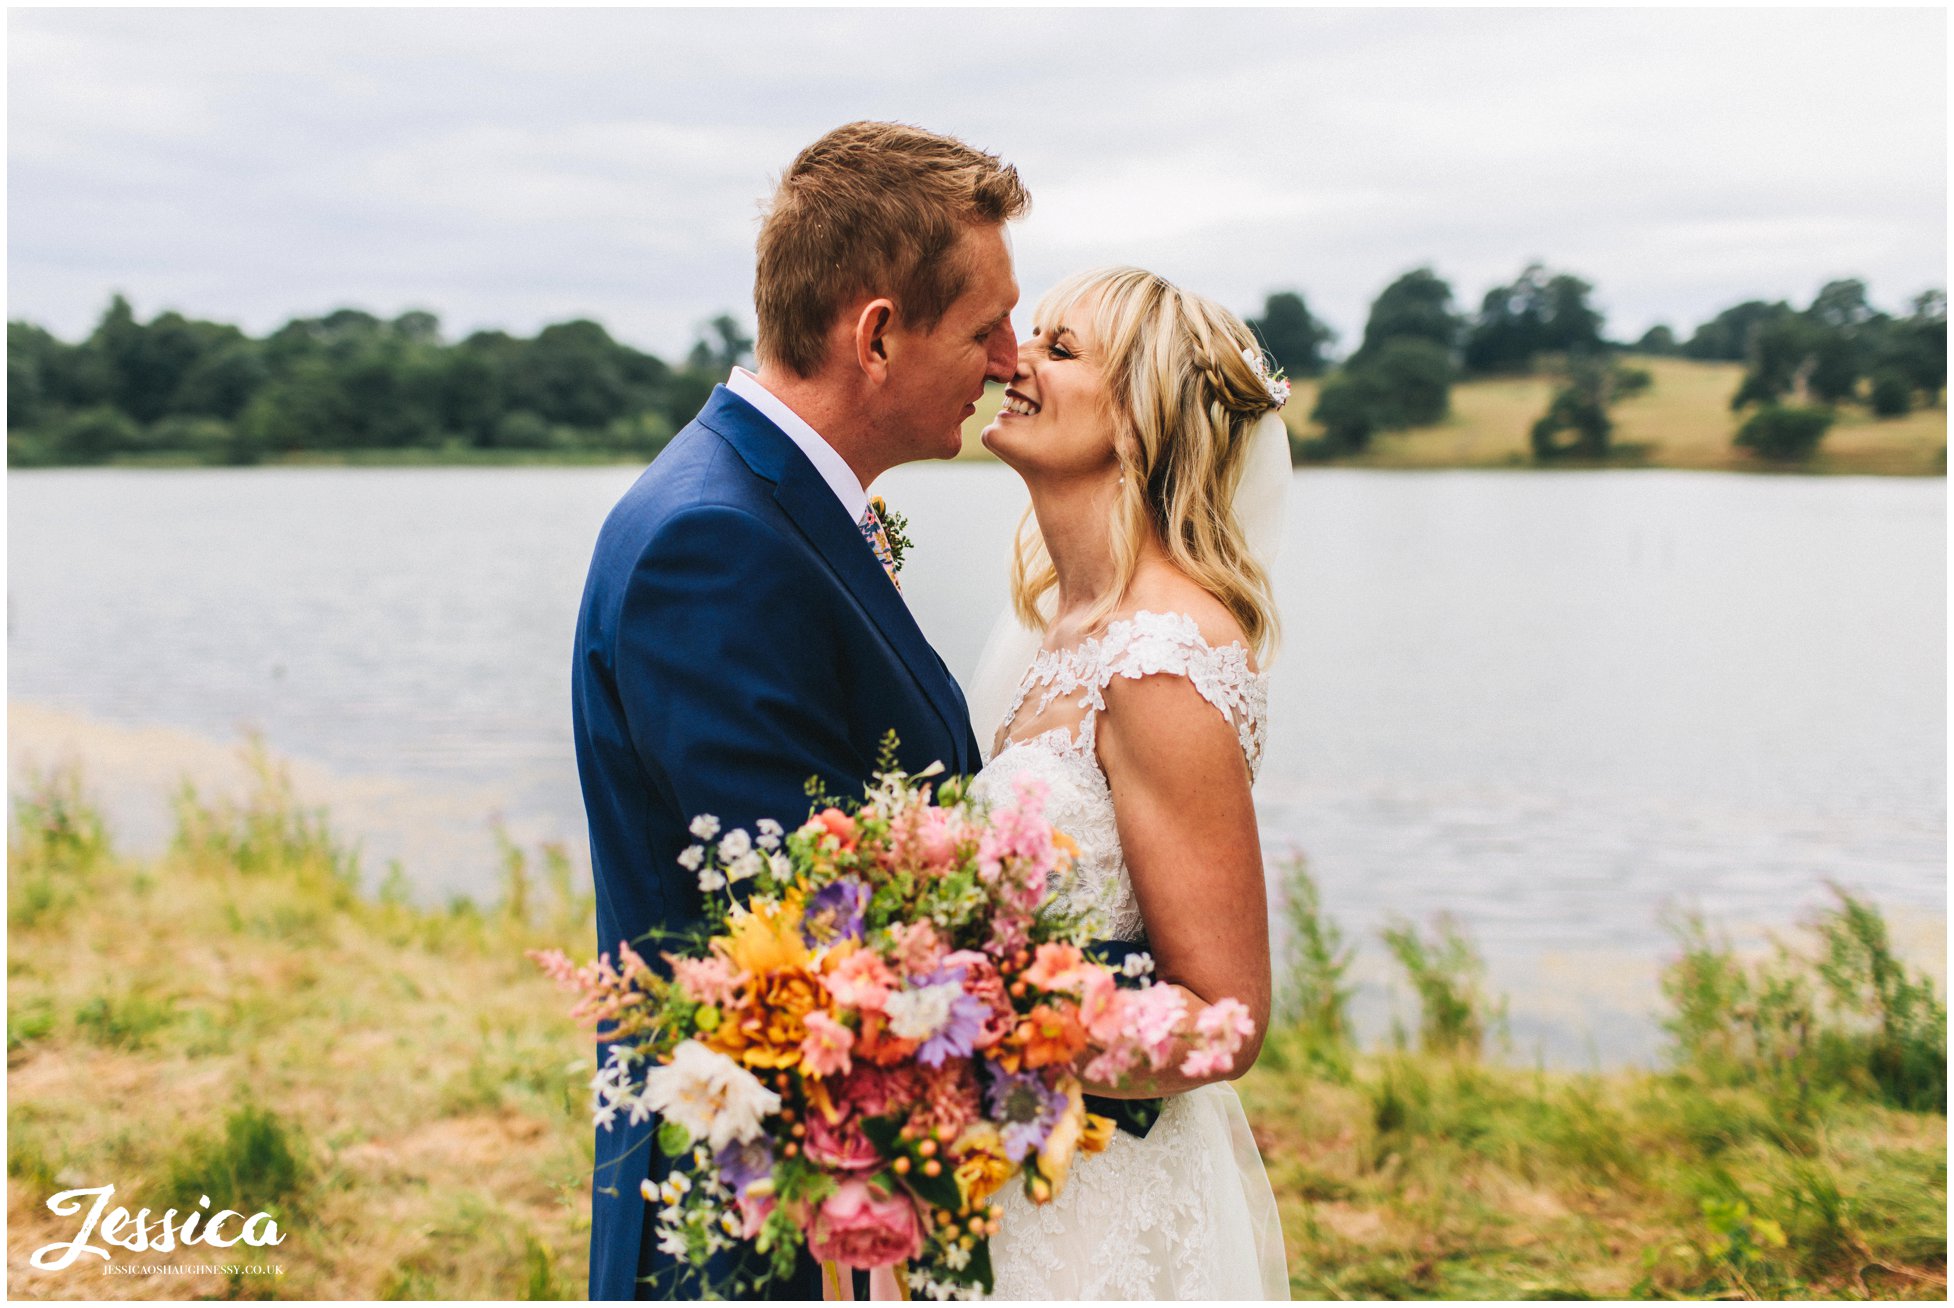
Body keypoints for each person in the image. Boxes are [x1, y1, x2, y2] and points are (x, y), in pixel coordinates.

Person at [571, 120, 1027, 1300]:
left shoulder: (768, 508)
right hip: (759, 1208)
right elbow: (809, 926)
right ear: (876, 334)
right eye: (985, 326)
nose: (1010, 359)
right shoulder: (713, 543)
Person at [971, 265, 1293, 1297]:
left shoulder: (1157, 657)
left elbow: (1224, 1011)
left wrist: (980, 1043)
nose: (1011, 360)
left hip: (1092, 1203)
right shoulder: (1048, 634)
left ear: (1140, 421)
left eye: (1060, 350)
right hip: (998, 1169)